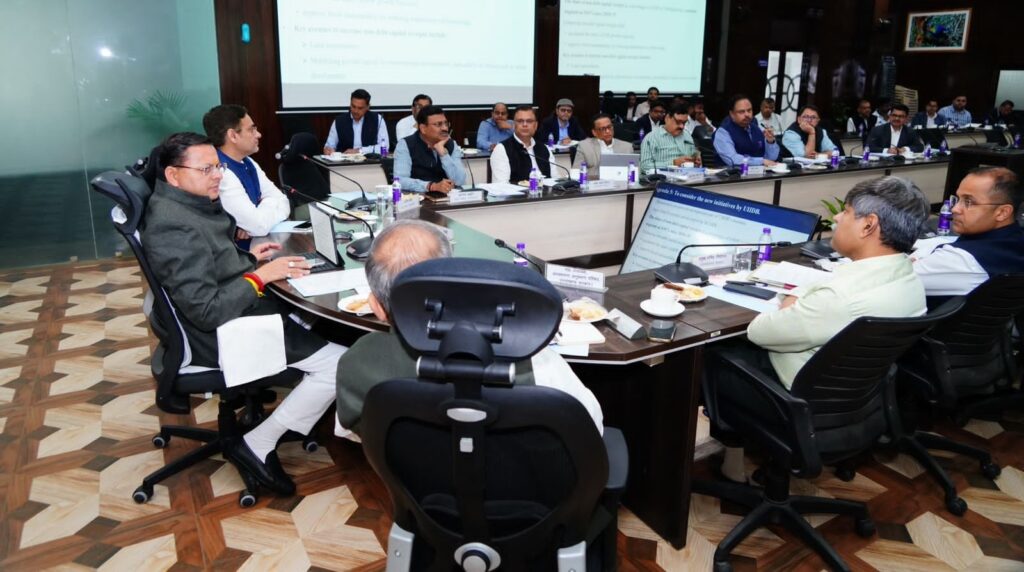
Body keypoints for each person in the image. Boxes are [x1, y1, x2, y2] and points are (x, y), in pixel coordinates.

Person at [143, 132, 347, 495]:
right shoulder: (173, 224)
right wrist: (259, 276)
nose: (217, 176)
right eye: (206, 169)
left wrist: (251, 258)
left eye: (217, 167)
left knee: (317, 317)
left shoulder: (184, 204)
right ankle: (257, 443)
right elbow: (206, 310)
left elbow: (208, 263)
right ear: (173, 175)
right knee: (339, 363)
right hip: (213, 335)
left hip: (226, 314)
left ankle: (310, 405)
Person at [718, 176, 930, 482]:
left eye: (846, 211)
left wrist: (793, 298)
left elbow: (760, 332)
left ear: (868, 225)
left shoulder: (840, 297)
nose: (837, 218)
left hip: (795, 402)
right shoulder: (910, 280)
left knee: (708, 355)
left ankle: (720, 461)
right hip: (856, 400)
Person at [334, 219, 604, 436]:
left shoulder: (355, 362)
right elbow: (591, 427)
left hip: (412, 483)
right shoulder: (534, 362)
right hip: (522, 482)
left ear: (377, 307)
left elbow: (353, 430)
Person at [913, 167, 1024, 298]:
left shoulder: (962, 259)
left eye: (968, 202)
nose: (955, 209)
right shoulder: (1014, 239)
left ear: (1002, 212)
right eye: (958, 199)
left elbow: (894, 280)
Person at [202, 104, 289, 247]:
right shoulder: (220, 172)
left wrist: (260, 211)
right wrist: (263, 210)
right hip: (236, 254)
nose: (258, 134)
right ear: (233, 136)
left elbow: (283, 201)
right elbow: (259, 226)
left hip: (256, 245)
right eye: (251, 129)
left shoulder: (248, 161)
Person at [393, 105, 466, 194]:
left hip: (447, 198)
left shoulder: (451, 144)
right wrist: (431, 186)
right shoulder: (406, 145)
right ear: (423, 128)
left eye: (446, 123)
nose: (445, 128)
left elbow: (460, 181)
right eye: (438, 124)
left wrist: (444, 155)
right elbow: (400, 180)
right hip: (417, 198)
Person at [489, 105, 552, 184]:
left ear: (536, 125)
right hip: (516, 192)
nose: (525, 125)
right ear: (514, 125)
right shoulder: (501, 149)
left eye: (529, 121)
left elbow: (555, 181)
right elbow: (501, 186)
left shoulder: (545, 149)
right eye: (520, 121)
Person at [713, 94, 780, 167]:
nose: (747, 114)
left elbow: (771, 159)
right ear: (732, 114)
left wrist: (770, 142)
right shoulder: (723, 132)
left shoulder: (756, 129)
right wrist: (761, 161)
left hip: (759, 172)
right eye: (741, 112)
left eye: (749, 110)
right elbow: (732, 159)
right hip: (731, 173)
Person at [323, 88, 389, 155]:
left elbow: (385, 148)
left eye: (360, 108)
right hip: (345, 160)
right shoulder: (339, 121)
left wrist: (360, 150)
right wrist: (328, 149)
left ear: (367, 107)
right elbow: (330, 145)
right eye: (353, 106)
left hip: (369, 160)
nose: (355, 111)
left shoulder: (377, 119)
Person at [639, 104, 701, 173]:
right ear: (667, 118)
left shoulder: (687, 135)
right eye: (678, 122)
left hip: (689, 176)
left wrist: (696, 160)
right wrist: (673, 163)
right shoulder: (652, 138)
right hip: (664, 178)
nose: (682, 126)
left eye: (684, 123)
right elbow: (644, 166)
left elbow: (694, 156)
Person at [572, 113, 634, 178]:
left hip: (620, 183)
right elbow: (576, 173)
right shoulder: (584, 146)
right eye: (602, 129)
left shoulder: (627, 147)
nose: (607, 131)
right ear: (594, 132)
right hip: (594, 183)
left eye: (609, 127)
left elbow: (634, 173)